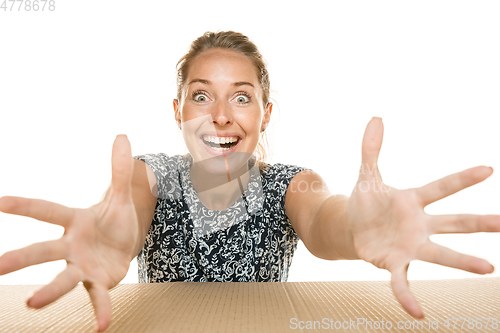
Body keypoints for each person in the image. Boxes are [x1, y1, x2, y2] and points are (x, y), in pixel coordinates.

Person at [0, 31, 499, 332]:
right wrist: (116, 238)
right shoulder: (150, 174)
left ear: (265, 113)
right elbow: (126, 212)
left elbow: (328, 220)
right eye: (201, 96)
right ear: (178, 111)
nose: (220, 116)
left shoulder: (291, 183)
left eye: (241, 97)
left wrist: (359, 229)